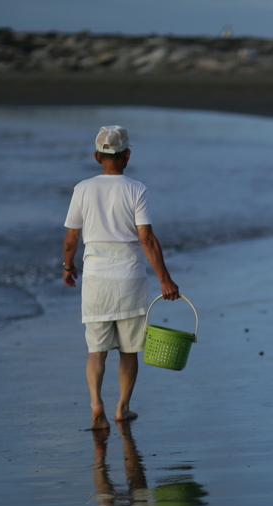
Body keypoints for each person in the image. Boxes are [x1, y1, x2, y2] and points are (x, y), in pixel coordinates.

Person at [63, 125, 179, 430]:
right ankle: (122, 408)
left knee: (96, 351)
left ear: (96, 156)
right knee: (129, 351)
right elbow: (147, 238)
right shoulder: (136, 189)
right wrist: (165, 279)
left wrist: (67, 266)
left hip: (96, 280)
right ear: (127, 155)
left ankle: (96, 403)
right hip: (129, 279)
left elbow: (71, 238)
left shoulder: (82, 189)